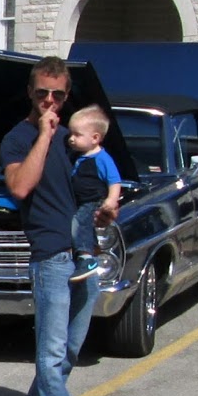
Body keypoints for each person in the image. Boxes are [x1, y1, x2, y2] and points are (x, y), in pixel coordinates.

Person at [0, 55, 98, 396]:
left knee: (71, 349)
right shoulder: (18, 139)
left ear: (67, 94)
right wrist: (44, 133)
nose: (50, 101)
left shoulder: (77, 137)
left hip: (83, 255)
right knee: (51, 351)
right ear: (30, 92)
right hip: (50, 257)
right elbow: (20, 188)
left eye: (58, 95)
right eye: (43, 93)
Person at [65, 105, 122, 284]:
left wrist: (111, 200)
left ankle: (87, 261)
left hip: (93, 201)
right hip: (80, 202)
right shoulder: (78, 156)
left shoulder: (102, 158)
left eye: (77, 135)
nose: (71, 139)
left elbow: (114, 181)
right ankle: (88, 254)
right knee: (81, 227)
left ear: (95, 138)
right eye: (70, 134)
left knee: (78, 225)